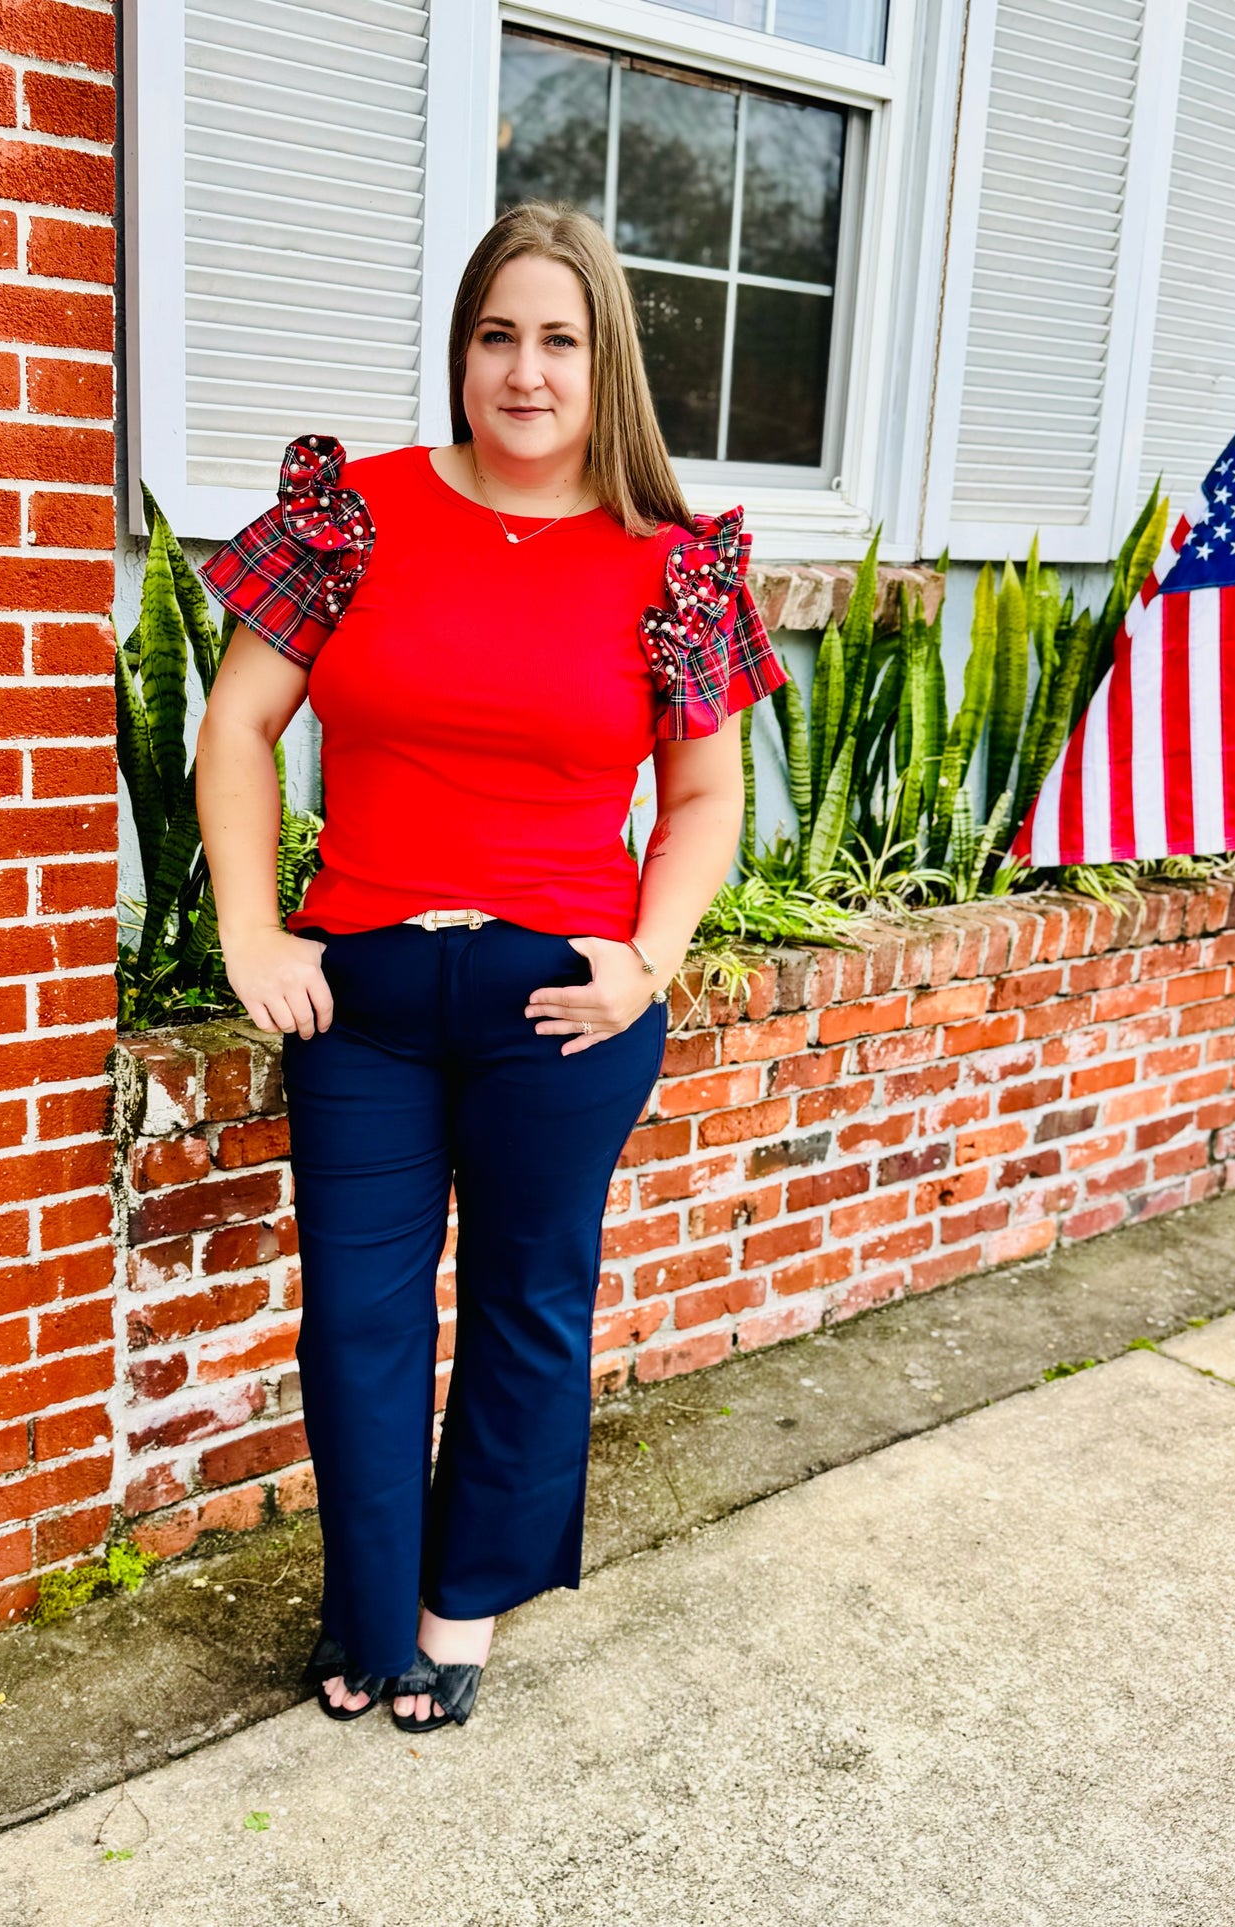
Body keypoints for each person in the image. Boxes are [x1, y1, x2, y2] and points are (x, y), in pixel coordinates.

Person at [194, 201, 786, 1734]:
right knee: (360, 1320)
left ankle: (460, 1613)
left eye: (559, 340)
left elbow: (705, 797)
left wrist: (649, 962)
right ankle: (369, 1614)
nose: (525, 372)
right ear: (461, 350)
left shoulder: (671, 566)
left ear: (607, 362)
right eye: (495, 336)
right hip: (367, 1004)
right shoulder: (357, 517)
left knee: (530, 1302)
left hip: (561, 1010)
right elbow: (236, 729)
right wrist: (252, 930)